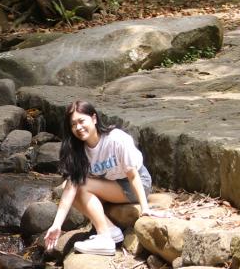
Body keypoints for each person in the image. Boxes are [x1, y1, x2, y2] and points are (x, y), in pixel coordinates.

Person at [43, 99, 156, 256]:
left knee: (81, 185)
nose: (78, 127)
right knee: (69, 187)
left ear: (94, 118)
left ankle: (104, 238)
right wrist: (57, 225)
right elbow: (70, 188)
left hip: (137, 183)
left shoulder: (116, 139)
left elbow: (133, 175)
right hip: (112, 183)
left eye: (81, 121)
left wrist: (145, 208)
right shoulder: (78, 150)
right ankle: (110, 229)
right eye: (73, 125)